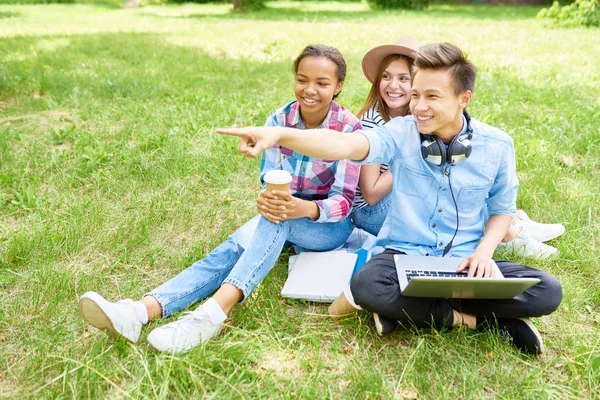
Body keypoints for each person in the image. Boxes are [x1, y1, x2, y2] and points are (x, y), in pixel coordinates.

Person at [217, 43, 563, 355]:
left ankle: (406, 311)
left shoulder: (498, 145)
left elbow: (502, 210)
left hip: (464, 262)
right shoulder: (400, 132)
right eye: (415, 96)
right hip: (402, 259)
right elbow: (342, 146)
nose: (419, 107)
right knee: (367, 286)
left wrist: (484, 254)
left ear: (464, 98)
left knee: (547, 290)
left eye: (432, 97)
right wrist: (280, 133)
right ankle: (479, 322)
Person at [78, 44, 361, 354]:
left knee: (279, 219)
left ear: (338, 87)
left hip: (328, 226)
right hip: (282, 216)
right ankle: (139, 312)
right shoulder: (279, 118)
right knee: (230, 250)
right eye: (302, 79)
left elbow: (345, 201)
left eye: (322, 83)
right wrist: (269, 199)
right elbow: (269, 177)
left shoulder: (349, 129)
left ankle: (212, 313)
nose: (309, 90)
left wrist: (302, 208)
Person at [351, 36, 565, 259]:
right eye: (386, 77)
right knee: (445, 187)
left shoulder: (422, 116)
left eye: (403, 78)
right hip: (372, 212)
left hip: (401, 201)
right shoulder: (373, 120)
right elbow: (372, 193)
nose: (393, 85)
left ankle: (513, 223)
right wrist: (410, 159)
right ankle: (513, 233)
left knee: (461, 180)